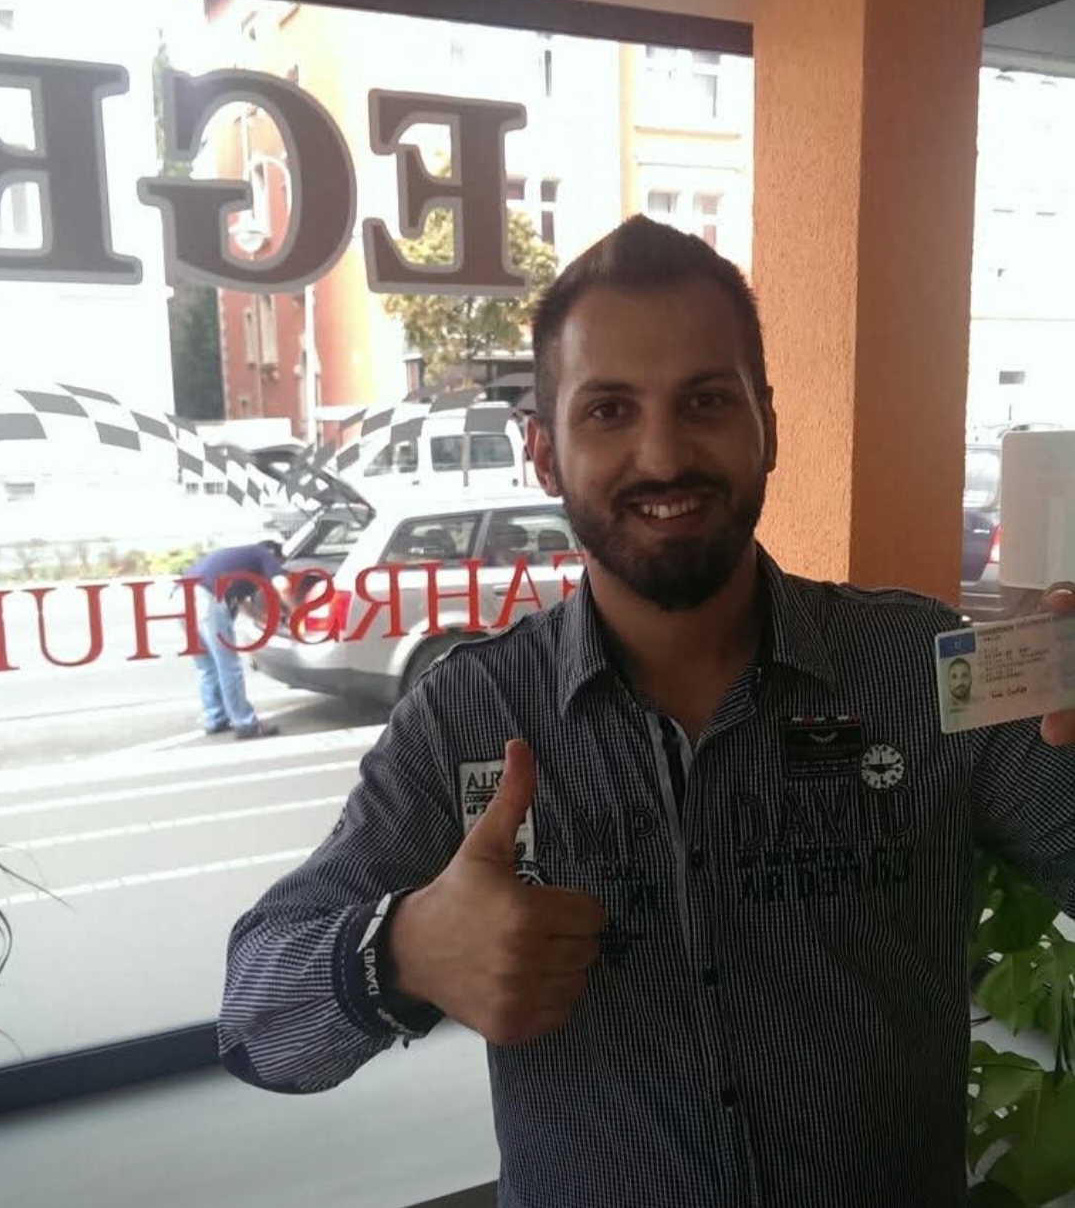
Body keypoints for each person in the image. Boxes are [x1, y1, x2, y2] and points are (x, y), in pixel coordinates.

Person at [217, 216, 1075, 1208]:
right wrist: (401, 951)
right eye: (608, 410)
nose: (662, 455)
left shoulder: (922, 672)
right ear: (544, 454)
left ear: (766, 425)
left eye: (704, 401)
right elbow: (255, 1025)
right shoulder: (466, 715)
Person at [184, 539, 292, 739]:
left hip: (180, 595)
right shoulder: (264, 554)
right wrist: (296, 611)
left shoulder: (239, 562)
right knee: (229, 665)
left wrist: (267, 622)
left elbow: (243, 605)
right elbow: (282, 585)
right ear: (275, 555)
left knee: (207, 666)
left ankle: (215, 719)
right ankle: (245, 724)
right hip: (206, 596)